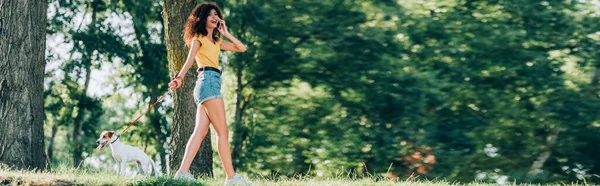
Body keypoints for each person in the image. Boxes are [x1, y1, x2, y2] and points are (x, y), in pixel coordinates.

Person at [168, 2, 252, 185]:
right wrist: (179, 78)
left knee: (200, 131)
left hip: (210, 83)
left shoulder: (217, 41)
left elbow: (241, 48)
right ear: (201, 18)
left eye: (216, 14)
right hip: (208, 82)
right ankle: (231, 178)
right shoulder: (198, 38)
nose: (214, 17)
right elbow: (190, 59)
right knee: (223, 131)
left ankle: (182, 173)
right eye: (210, 14)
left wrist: (225, 33)